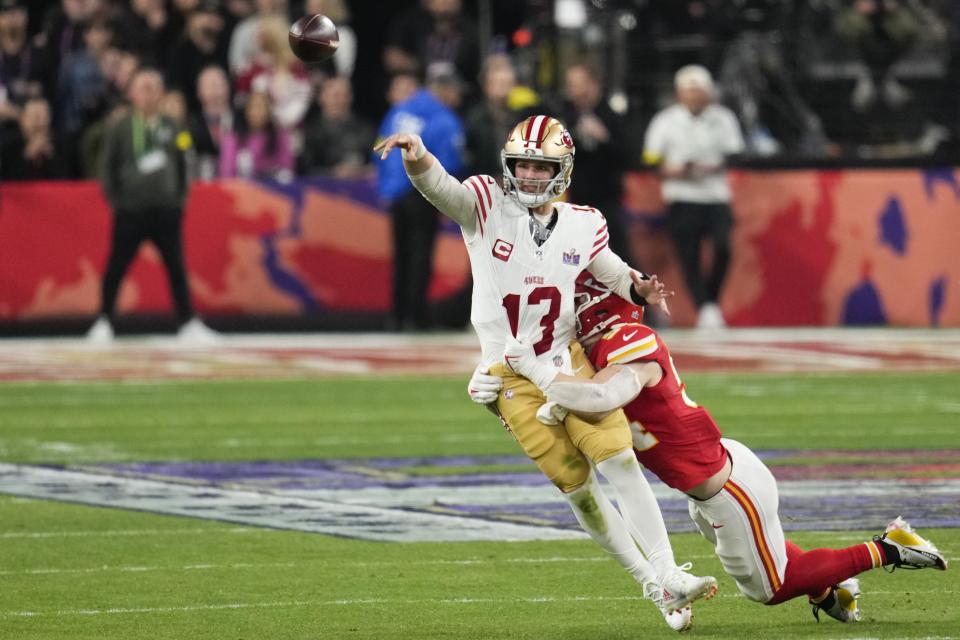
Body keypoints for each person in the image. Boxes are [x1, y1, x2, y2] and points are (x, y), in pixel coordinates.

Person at [375, 114, 717, 632]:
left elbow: (609, 270)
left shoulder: (585, 221)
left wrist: (638, 287)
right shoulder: (487, 205)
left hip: (564, 357)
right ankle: (651, 584)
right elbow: (441, 189)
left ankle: (669, 571)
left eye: (542, 166)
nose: (531, 175)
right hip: (510, 372)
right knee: (578, 487)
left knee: (619, 459)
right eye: (523, 165)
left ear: (563, 168)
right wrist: (417, 155)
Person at [500, 275, 949, 624]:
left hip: (726, 489)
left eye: (576, 302)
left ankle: (889, 547)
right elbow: (583, 407)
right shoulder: (593, 353)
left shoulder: (628, 342)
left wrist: (538, 376)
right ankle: (825, 587)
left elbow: (598, 400)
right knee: (767, 557)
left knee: (768, 590)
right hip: (712, 481)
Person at [88, 67, 217, 343]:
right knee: (116, 267)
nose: (148, 94)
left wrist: (181, 199)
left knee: (176, 267)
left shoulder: (173, 126)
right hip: (130, 211)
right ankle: (104, 320)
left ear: (161, 93)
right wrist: (116, 202)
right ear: (132, 93)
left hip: (166, 210)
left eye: (154, 88)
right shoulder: (121, 128)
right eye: (143, 87)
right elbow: (106, 166)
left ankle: (188, 323)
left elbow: (185, 161)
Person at [643, 65, 744, 329]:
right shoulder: (665, 121)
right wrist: (672, 170)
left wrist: (712, 166)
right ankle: (705, 307)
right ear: (679, 94)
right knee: (689, 256)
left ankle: (710, 301)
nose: (694, 96)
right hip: (681, 195)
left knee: (723, 248)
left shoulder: (723, 118)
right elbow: (651, 159)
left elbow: (734, 153)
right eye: (689, 91)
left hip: (715, 194)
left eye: (699, 91)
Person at [374, 65, 465, 331]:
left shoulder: (399, 110)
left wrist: (386, 187)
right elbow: (450, 162)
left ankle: (397, 315)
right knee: (420, 255)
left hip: (395, 191)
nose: (457, 97)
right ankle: (416, 316)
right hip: (421, 191)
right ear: (444, 90)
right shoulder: (444, 118)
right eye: (454, 91)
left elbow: (379, 148)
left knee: (401, 255)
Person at [300, 75, 374, 178]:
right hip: (323, 190)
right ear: (321, 97)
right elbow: (303, 169)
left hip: (362, 188)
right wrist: (332, 172)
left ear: (351, 97)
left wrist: (363, 170)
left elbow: (380, 160)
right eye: (335, 95)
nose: (339, 101)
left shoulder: (366, 128)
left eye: (344, 95)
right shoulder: (310, 132)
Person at [218, 89, 293, 180]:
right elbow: (227, 173)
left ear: (269, 111)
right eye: (253, 107)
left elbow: (286, 170)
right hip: (240, 190)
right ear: (246, 110)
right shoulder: (233, 139)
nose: (257, 112)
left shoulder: (280, 137)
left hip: (272, 189)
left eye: (262, 107)